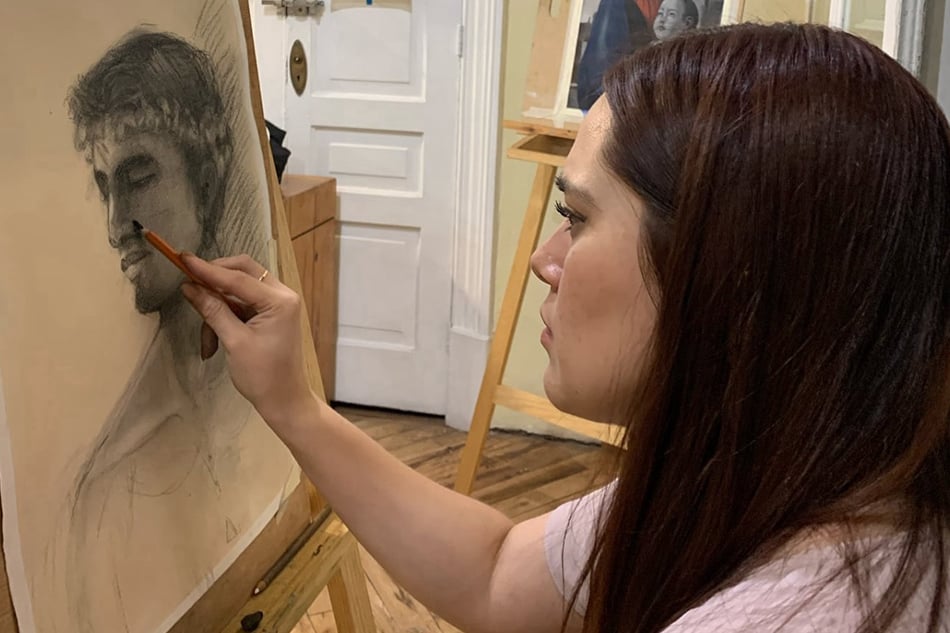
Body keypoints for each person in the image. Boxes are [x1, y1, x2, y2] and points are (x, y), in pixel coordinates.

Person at [181, 23, 950, 633]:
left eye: (576, 217)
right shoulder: (781, 479)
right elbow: (494, 571)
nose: (545, 259)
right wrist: (294, 405)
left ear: (723, 271)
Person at [47, 28, 289, 633]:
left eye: (138, 177)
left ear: (205, 179)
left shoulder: (257, 394)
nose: (115, 228)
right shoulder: (112, 489)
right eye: (104, 186)